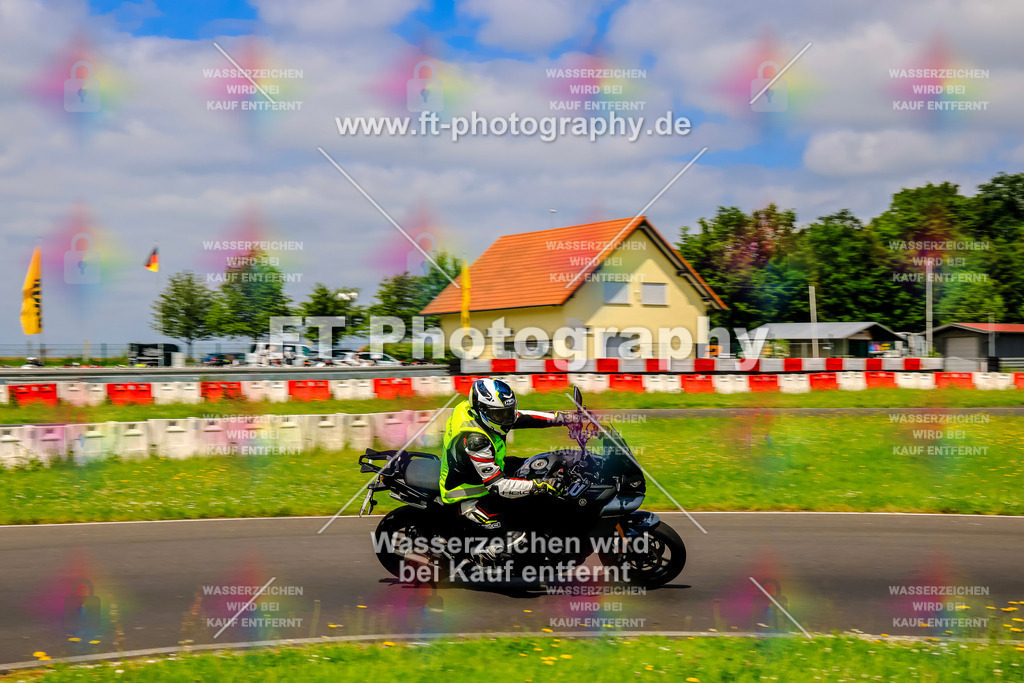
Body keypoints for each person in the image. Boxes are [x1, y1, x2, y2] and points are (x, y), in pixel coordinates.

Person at [440, 378, 572, 557]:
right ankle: (483, 558)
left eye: (508, 412)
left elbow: (523, 417)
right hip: (469, 494)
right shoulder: (475, 440)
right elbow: (498, 486)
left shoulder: (479, 411)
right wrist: (540, 485)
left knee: (538, 465)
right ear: (482, 411)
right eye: (501, 415)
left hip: (480, 471)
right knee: (520, 537)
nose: (508, 419)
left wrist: (563, 418)